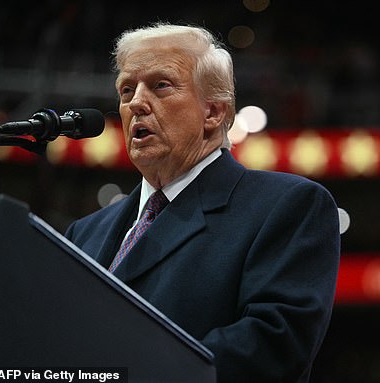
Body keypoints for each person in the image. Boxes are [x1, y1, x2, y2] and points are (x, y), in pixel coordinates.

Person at [65, 21, 340, 383]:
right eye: (127, 89)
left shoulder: (288, 206)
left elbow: (272, 343)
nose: (136, 103)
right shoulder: (83, 234)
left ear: (213, 112)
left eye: (161, 85)